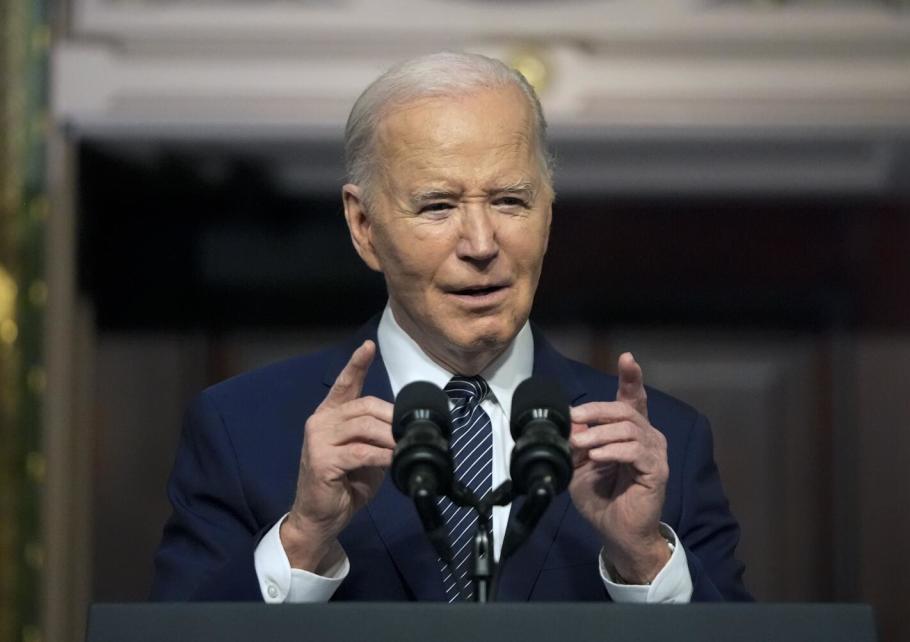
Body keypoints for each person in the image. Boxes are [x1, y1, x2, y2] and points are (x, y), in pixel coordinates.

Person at [150, 52, 749, 603]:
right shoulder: (241, 430)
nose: (482, 244)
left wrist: (644, 559)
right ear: (363, 226)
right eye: (438, 206)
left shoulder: (661, 443)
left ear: (548, 211)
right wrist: (303, 538)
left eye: (511, 201)